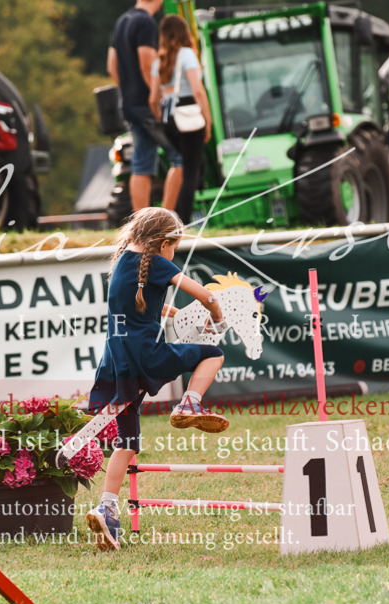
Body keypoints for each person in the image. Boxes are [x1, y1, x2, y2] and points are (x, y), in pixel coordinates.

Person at [85, 207, 229, 551]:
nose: (174, 253)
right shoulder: (159, 264)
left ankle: (106, 509)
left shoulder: (121, 261)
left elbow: (137, 305)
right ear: (163, 242)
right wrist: (219, 321)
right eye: (174, 247)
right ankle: (190, 403)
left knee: (128, 442)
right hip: (145, 357)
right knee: (214, 354)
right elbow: (208, 296)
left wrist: (175, 312)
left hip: (116, 364)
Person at [109, 0, 183, 213]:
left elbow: (111, 65)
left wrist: (129, 88)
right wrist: (157, 98)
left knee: (141, 164)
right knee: (181, 157)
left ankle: (141, 221)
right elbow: (147, 64)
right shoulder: (145, 23)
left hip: (130, 103)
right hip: (148, 104)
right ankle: (167, 220)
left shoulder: (123, 21)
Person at [150, 14, 212, 224]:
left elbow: (153, 99)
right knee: (190, 172)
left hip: (169, 118)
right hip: (188, 115)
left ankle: (172, 215)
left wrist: (163, 118)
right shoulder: (186, 54)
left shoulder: (160, 59)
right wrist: (207, 118)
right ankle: (182, 222)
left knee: (186, 165)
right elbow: (198, 90)